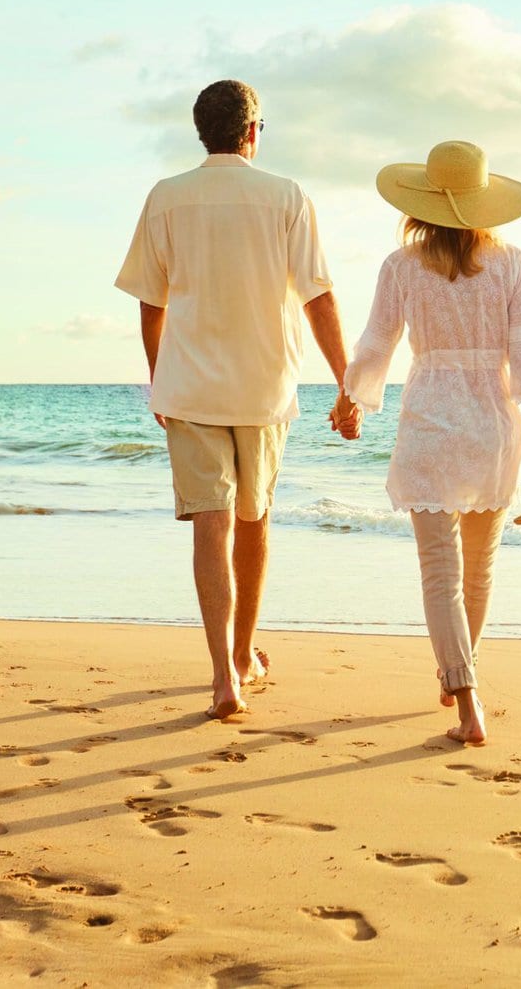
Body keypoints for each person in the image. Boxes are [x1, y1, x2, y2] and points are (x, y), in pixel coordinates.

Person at [113, 79, 364, 720]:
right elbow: (318, 296)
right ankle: (246, 654)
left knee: (210, 523)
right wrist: (346, 382)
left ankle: (223, 674)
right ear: (254, 131)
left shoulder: (166, 196)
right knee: (253, 520)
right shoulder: (286, 196)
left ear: (203, 133)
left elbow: (151, 300)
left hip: (190, 385)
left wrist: (157, 375)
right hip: (264, 386)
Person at [338, 140, 521, 746]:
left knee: (441, 572)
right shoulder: (511, 262)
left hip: (431, 420)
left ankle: (464, 696)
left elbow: (377, 343)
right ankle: (460, 672)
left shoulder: (401, 266)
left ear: (421, 203)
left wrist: (351, 398)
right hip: (494, 424)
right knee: (479, 571)